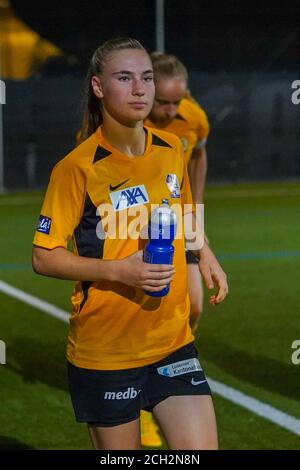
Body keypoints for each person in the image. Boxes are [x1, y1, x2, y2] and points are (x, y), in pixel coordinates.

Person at [32, 37, 228, 450]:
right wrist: (119, 270)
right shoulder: (77, 168)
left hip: (172, 341)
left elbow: (184, 206)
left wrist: (204, 251)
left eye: (146, 78)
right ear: (99, 87)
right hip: (107, 352)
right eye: (125, 78)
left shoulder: (172, 147)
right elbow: (43, 257)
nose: (140, 89)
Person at [146, 52, 210, 333]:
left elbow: (198, 155)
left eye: (176, 102)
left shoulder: (194, 118)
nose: (170, 111)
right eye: (163, 103)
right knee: (145, 303)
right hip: (131, 217)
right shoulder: (125, 119)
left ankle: (178, 357)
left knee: (194, 305)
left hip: (177, 215)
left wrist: (196, 205)